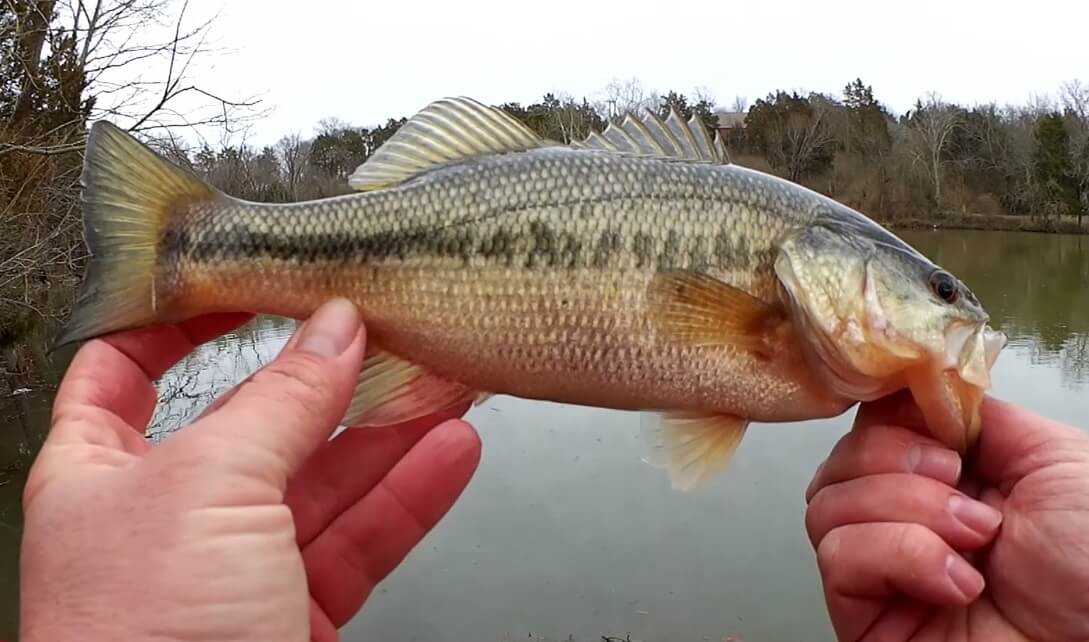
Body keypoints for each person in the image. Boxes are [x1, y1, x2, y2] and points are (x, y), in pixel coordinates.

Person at [17, 299, 1089, 641]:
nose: (961, 321)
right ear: (825, 278)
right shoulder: (770, 315)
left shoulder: (799, 351)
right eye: (935, 294)